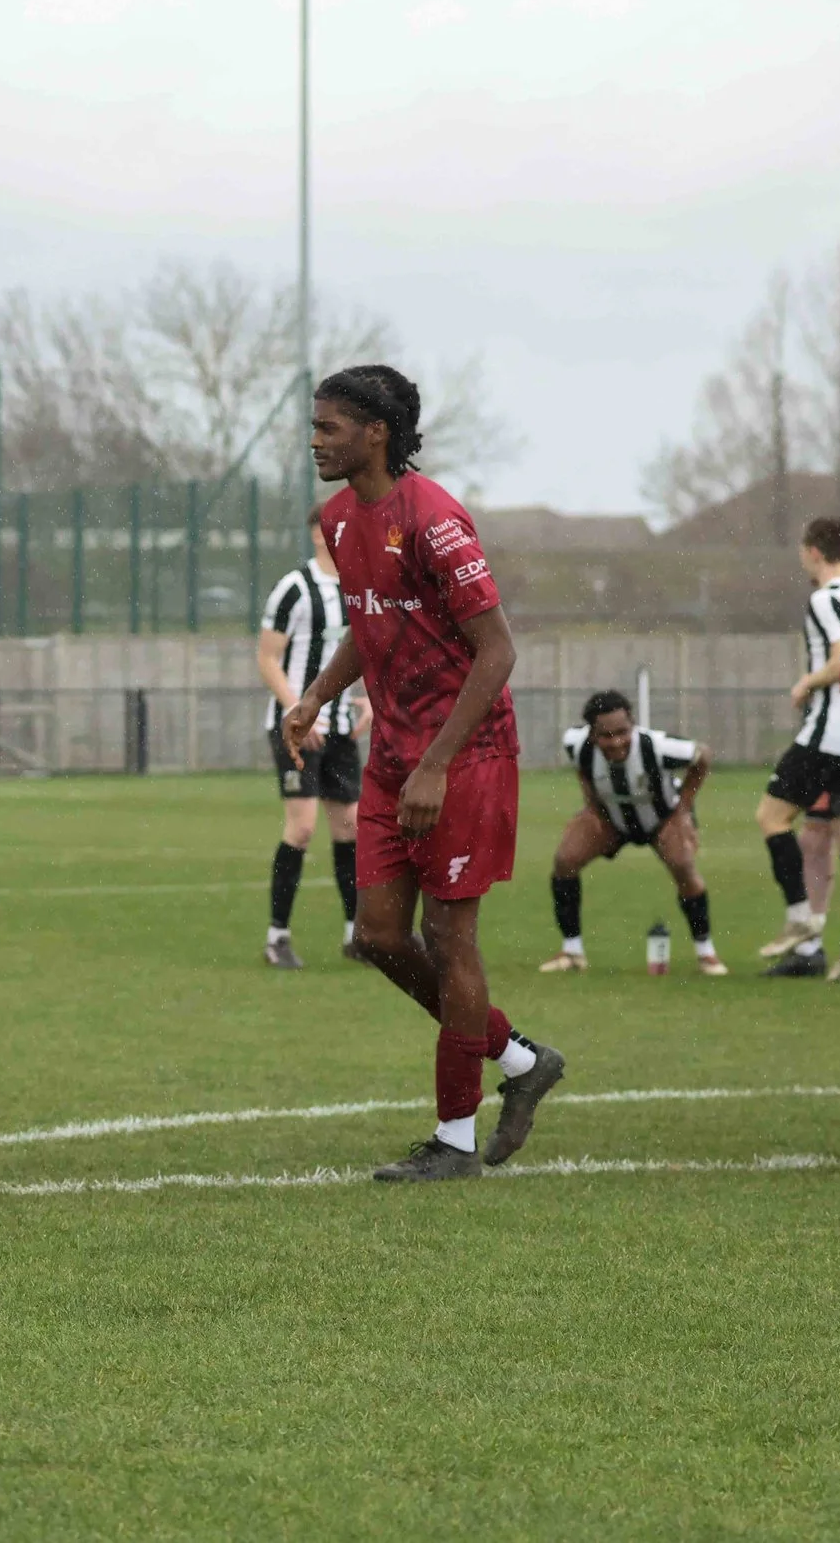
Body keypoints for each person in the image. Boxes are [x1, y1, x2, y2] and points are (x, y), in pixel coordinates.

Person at [279, 364, 565, 1182]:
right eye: (315, 424)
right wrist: (315, 697)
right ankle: (514, 1057)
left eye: (330, 427)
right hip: (394, 757)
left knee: (450, 936)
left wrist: (437, 763)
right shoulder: (339, 521)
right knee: (376, 937)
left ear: (376, 431)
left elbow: (497, 650)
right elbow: (370, 625)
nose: (316, 440)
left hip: (463, 758)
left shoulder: (435, 518)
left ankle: (455, 1142)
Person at [756, 517, 840, 977]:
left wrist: (806, 683)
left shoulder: (826, 598)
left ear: (813, 552)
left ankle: (801, 919)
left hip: (830, 730)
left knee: (771, 818)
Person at [540, 689, 723, 976]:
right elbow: (581, 770)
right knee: (565, 860)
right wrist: (591, 806)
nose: (616, 742)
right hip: (611, 819)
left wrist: (684, 811)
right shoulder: (576, 744)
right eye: (605, 735)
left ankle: (706, 953)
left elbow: (703, 756)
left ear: (633, 724)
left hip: (661, 819)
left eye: (622, 732)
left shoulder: (658, 746)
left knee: (683, 866)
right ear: (591, 733)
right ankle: (572, 951)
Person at [257, 506, 367, 968]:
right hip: (299, 729)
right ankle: (277, 937)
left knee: (351, 827)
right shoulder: (294, 589)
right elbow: (266, 658)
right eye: (329, 528)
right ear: (315, 534)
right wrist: (296, 711)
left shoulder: (361, 588)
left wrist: (370, 700)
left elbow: (365, 653)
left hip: (340, 725)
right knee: (302, 828)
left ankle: (356, 934)